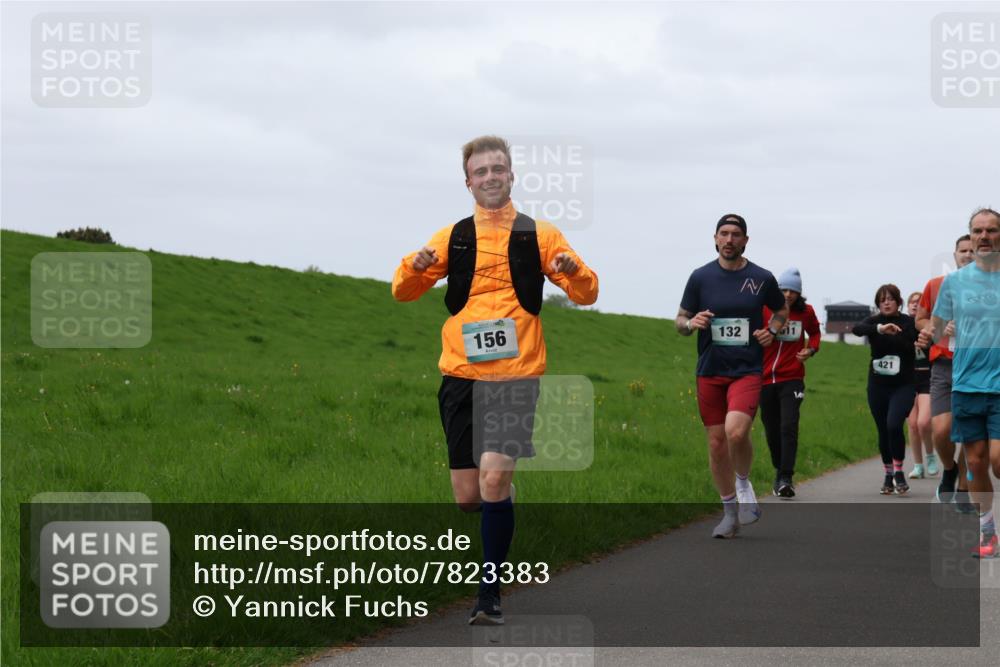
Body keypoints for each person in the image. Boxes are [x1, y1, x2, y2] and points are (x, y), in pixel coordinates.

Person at [392, 135, 599, 623]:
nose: (490, 177)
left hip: (516, 374)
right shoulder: (453, 236)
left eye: (498, 169)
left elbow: (587, 292)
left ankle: (489, 594)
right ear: (468, 181)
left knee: (493, 476)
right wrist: (415, 267)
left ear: (511, 176)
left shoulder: (540, 235)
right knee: (470, 497)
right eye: (480, 171)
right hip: (460, 375)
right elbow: (402, 291)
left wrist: (573, 270)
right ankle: (500, 499)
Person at [677, 213, 788, 538]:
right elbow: (680, 320)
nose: (729, 240)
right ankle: (729, 513)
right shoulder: (700, 277)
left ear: (745, 241)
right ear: (715, 239)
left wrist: (773, 331)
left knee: (735, 433)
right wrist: (690, 324)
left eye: (735, 234)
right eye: (723, 234)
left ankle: (743, 484)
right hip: (710, 370)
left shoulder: (761, 277)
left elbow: (780, 311)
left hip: (746, 369)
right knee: (715, 443)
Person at [921, 208, 1000, 559]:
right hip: (966, 383)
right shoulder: (955, 282)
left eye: (992, 230)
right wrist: (935, 332)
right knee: (978, 462)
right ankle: (988, 533)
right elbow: (935, 327)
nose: (985, 237)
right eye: (978, 231)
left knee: (998, 460)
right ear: (971, 235)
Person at [915, 235, 976, 509]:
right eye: (963, 251)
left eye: (973, 251)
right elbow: (921, 319)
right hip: (945, 365)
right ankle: (949, 468)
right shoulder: (937, 285)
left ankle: (964, 485)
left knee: (971, 433)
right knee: (942, 430)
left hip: (977, 365)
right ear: (955, 256)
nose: (968, 255)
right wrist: (937, 329)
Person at [759, 268, 821, 498]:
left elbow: (815, 334)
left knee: (788, 426)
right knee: (771, 428)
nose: (787, 295)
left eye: (792, 291)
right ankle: (779, 469)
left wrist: (811, 349)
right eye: (783, 289)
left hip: (792, 378)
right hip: (764, 378)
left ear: (799, 293)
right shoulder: (765, 309)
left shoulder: (806, 312)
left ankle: (786, 477)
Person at [852, 284, 919, 495]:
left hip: (904, 385)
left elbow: (914, 344)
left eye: (890, 299)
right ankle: (888, 474)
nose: (886, 302)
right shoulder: (874, 322)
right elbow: (857, 329)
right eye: (882, 300)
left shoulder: (908, 322)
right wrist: (881, 329)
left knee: (893, 425)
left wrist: (895, 334)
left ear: (899, 302)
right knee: (883, 429)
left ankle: (899, 471)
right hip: (878, 385)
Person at [906, 291, 936, 479]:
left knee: (923, 422)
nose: (915, 305)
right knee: (912, 424)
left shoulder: (929, 326)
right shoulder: (902, 327)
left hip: (928, 378)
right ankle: (918, 465)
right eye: (912, 302)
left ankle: (931, 456)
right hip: (908, 380)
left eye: (919, 302)